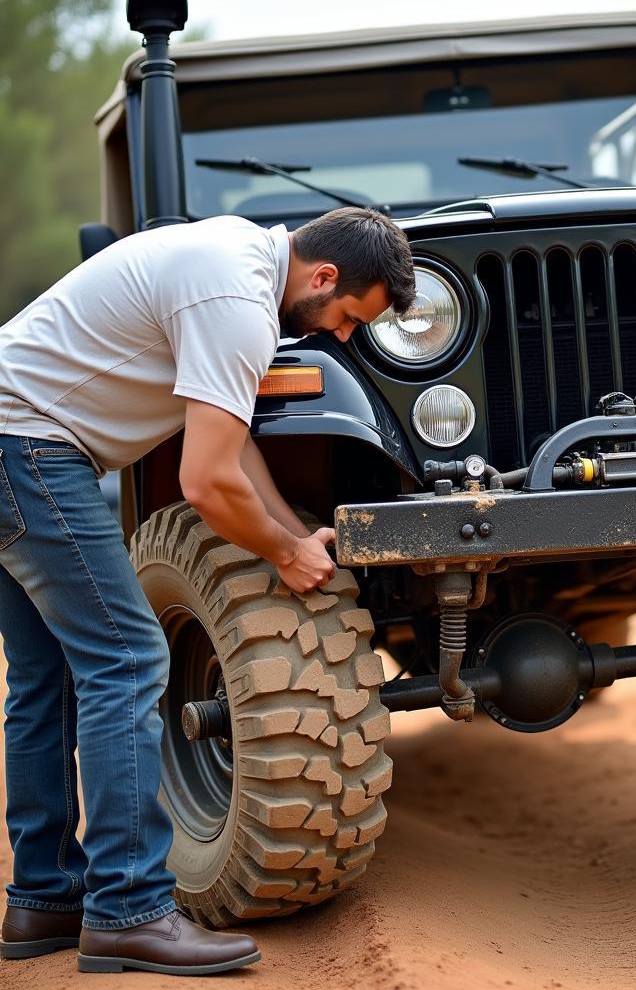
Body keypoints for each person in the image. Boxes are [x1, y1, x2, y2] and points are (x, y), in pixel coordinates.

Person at [0, 207, 415, 975]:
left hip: (15, 442)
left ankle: (42, 902)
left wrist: (293, 530)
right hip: (27, 450)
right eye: (350, 317)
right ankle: (129, 910)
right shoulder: (237, 306)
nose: (343, 337)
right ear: (323, 277)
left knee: (45, 677)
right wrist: (285, 554)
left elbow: (233, 444)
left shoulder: (236, 256)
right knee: (126, 662)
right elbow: (205, 481)